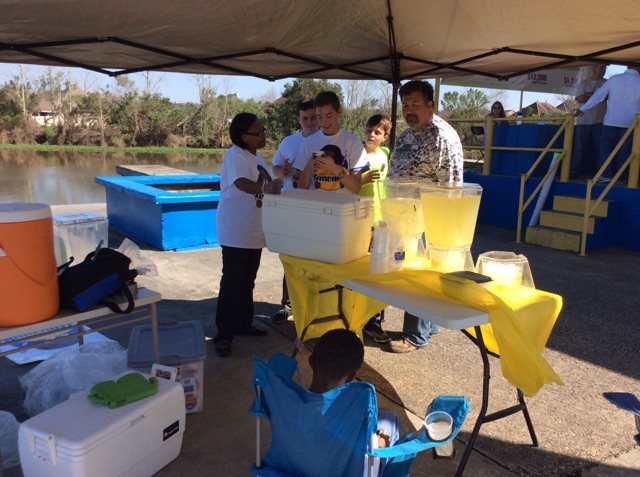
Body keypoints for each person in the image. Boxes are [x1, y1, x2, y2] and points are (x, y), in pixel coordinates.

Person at [386, 80, 463, 353]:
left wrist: (443, 228)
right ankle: (427, 325)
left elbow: (451, 185)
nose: (409, 110)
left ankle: (414, 335)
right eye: (405, 105)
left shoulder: (442, 136)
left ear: (430, 106)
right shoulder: (407, 135)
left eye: (415, 105)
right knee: (407, 272)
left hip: (429, 220)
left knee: (419, 275)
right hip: (404, 216)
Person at [213, 112, 282, 358]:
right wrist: (265, 187)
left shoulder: (257, 156)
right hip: (235, 231)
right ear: (244, 137)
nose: (264, 135)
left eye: (263, 130)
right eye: (259, 132)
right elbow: (242, 183)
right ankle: (224, 335)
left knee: (247, 282)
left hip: (253, 231)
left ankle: (243, 325)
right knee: (232, 284)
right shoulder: (236, 156)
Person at [308, 328, 401, 471]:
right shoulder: (353, 417)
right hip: (348, 469)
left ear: (311, 361)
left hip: (299, 464)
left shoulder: (288, 401)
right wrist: (381, 444)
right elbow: (363, 460)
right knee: (390, 419)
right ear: (352, 377)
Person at [270, 99, 319, 323]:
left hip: (320, 209)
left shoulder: (328, 140)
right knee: (291, 257)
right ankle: (289, 305)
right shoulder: (288, 142)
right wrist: (283, 170)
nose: (309, 122)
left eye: (313, 117)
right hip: (293, 208)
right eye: (304, 118)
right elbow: (275, 168)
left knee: (317, 258)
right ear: (298, 119)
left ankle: (315, 304)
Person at [359, 114, 392, 343]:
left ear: (385, 137)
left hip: (379, 219)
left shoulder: (386, 155)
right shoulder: (354, 153)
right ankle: (356, 317)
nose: (372, 135)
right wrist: (363, 179)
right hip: (358, 217)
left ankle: (373, 320)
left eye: (377, 132)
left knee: (377, 270)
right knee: (358, 269)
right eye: (369, 130)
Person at [293, 90, 367, 193]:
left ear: (339, 112)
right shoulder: (308, 143)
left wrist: (335, 169)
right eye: (319, 117)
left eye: (329, 116)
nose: (324, 122)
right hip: (314, 207)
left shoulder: (354, 142)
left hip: (342, 207)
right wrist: (308, 168)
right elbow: (300, 188)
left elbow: (356, 188)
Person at [578, 65, 640, 182]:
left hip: (611, 120)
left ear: (627, 67)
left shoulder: (614, 79)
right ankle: (621, 177)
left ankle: (605, 175)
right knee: (625, 150)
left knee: (606, 148)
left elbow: (598, 96)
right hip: (630, 122)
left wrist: (583, 109)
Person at [570, 64, 607, 179]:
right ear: (594, 69)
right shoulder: (584, 83)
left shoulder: (607, 83)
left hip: (600, 121)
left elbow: (605, 97)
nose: (603, 70)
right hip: (583, 121)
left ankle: (601, 173)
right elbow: (579, 98)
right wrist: (597, 95)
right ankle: (573, 172)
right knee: (578, 148)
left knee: (600, 149)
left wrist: (588, 95)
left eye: (605, 68)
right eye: (601, 67)